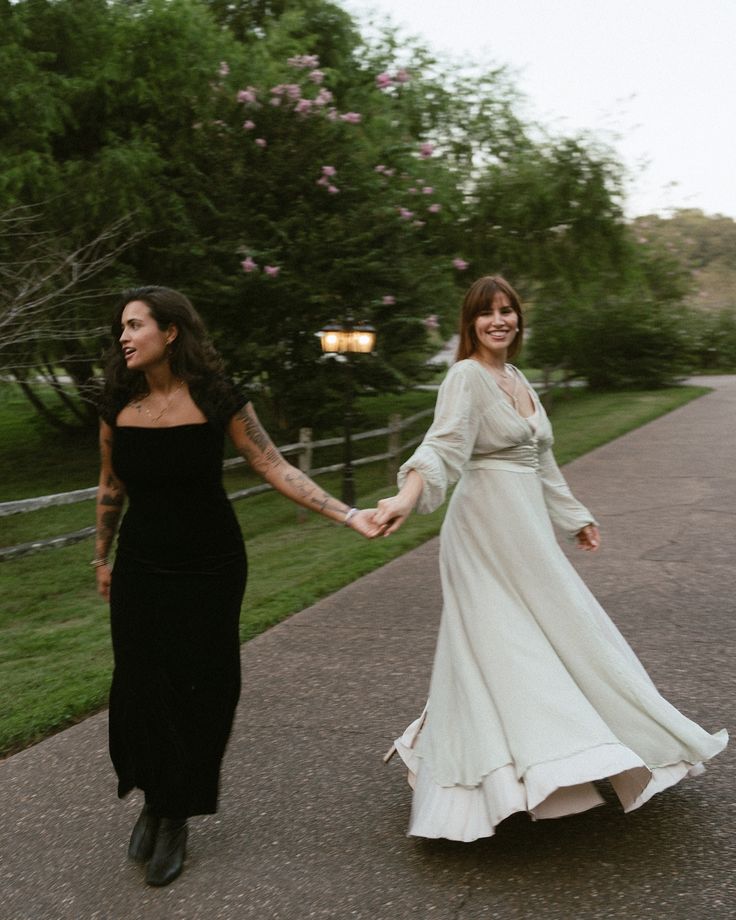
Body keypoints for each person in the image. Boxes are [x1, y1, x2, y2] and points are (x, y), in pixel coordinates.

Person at [373, 275, 727, 842]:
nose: (499, 320)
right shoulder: (465, 377)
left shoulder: (515, 377)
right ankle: (510, 772)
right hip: (481, 530)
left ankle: (492, 746)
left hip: (527, 530)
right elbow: (440, 447)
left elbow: (542, 462)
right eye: (487, 313)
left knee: (560, 632)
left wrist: (574, 517)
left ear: (518, 319)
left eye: (507, 310)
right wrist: (404, 496)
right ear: (470, 324)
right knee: (499, 639)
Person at [94, 285, 381, 886]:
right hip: (141, 564)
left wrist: (347, 514)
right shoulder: (116, 403)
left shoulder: (218, 398)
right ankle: (156, 797)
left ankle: (174, 817)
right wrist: (102, 557)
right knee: (143, 687)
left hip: (210, 564)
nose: (123, 336)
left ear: (170, 332)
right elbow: (110, 487)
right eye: (121, 327)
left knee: (202, 687)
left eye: (135, 325)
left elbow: (274, 463)